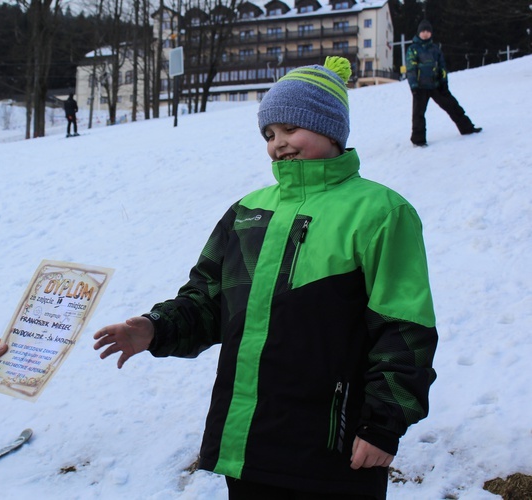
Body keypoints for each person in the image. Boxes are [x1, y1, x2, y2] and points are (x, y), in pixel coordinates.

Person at [94, 56, 438, 500]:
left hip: (336, 449)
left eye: (291, 129)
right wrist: (155, 328)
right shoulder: (248, 212)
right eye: (269, 135)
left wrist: (383, 424)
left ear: (330, 127)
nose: (279, 144)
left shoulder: (380, 212)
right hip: (249, 445)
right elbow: (208, 300)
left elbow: (404, 327)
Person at [406, 19, 482, 147]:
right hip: (420, 88)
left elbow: (442, 67)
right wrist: (414, 86)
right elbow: (411, 69)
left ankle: (467, 128)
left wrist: (444, 83)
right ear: (419, 33)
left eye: (428, 31)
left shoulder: (435, 49)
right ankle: (418, 140)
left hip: (436, 86)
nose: (425, 34)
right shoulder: (413, 49)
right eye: (423, 31)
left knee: (453, 106)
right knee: (418, 114)